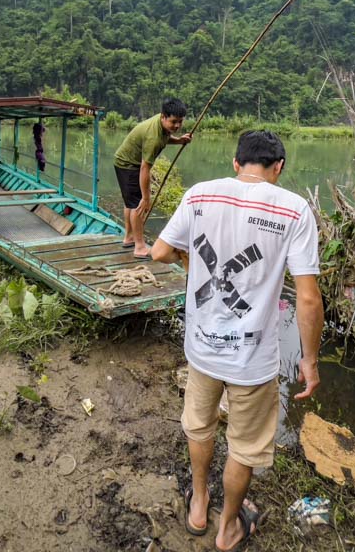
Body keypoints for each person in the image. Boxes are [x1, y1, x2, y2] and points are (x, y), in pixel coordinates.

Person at [151, 130, 324, 552]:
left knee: (199, 424)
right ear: (278, 167)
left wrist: (190, 260)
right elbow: (307, 296)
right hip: (253, 361)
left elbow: (158, 251)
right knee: (244, 448)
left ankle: (198, 504)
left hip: (202, 349)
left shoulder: (199, 195)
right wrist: (309, 360)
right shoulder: (295, 209)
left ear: (235, 162)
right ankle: (227, 528)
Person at [113, 97, 192, 259]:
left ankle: (129, 238)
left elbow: (165, 137)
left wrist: (179, 141)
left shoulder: (161, 126)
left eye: (180, 122)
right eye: (174, 122)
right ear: (163, 116)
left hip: (123, 162)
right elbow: (144, 168)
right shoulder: (153, 137)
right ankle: (140, 247)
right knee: (138, 205)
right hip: (129, 165)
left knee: (130, 203)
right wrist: (146, 197)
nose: (177, 126)